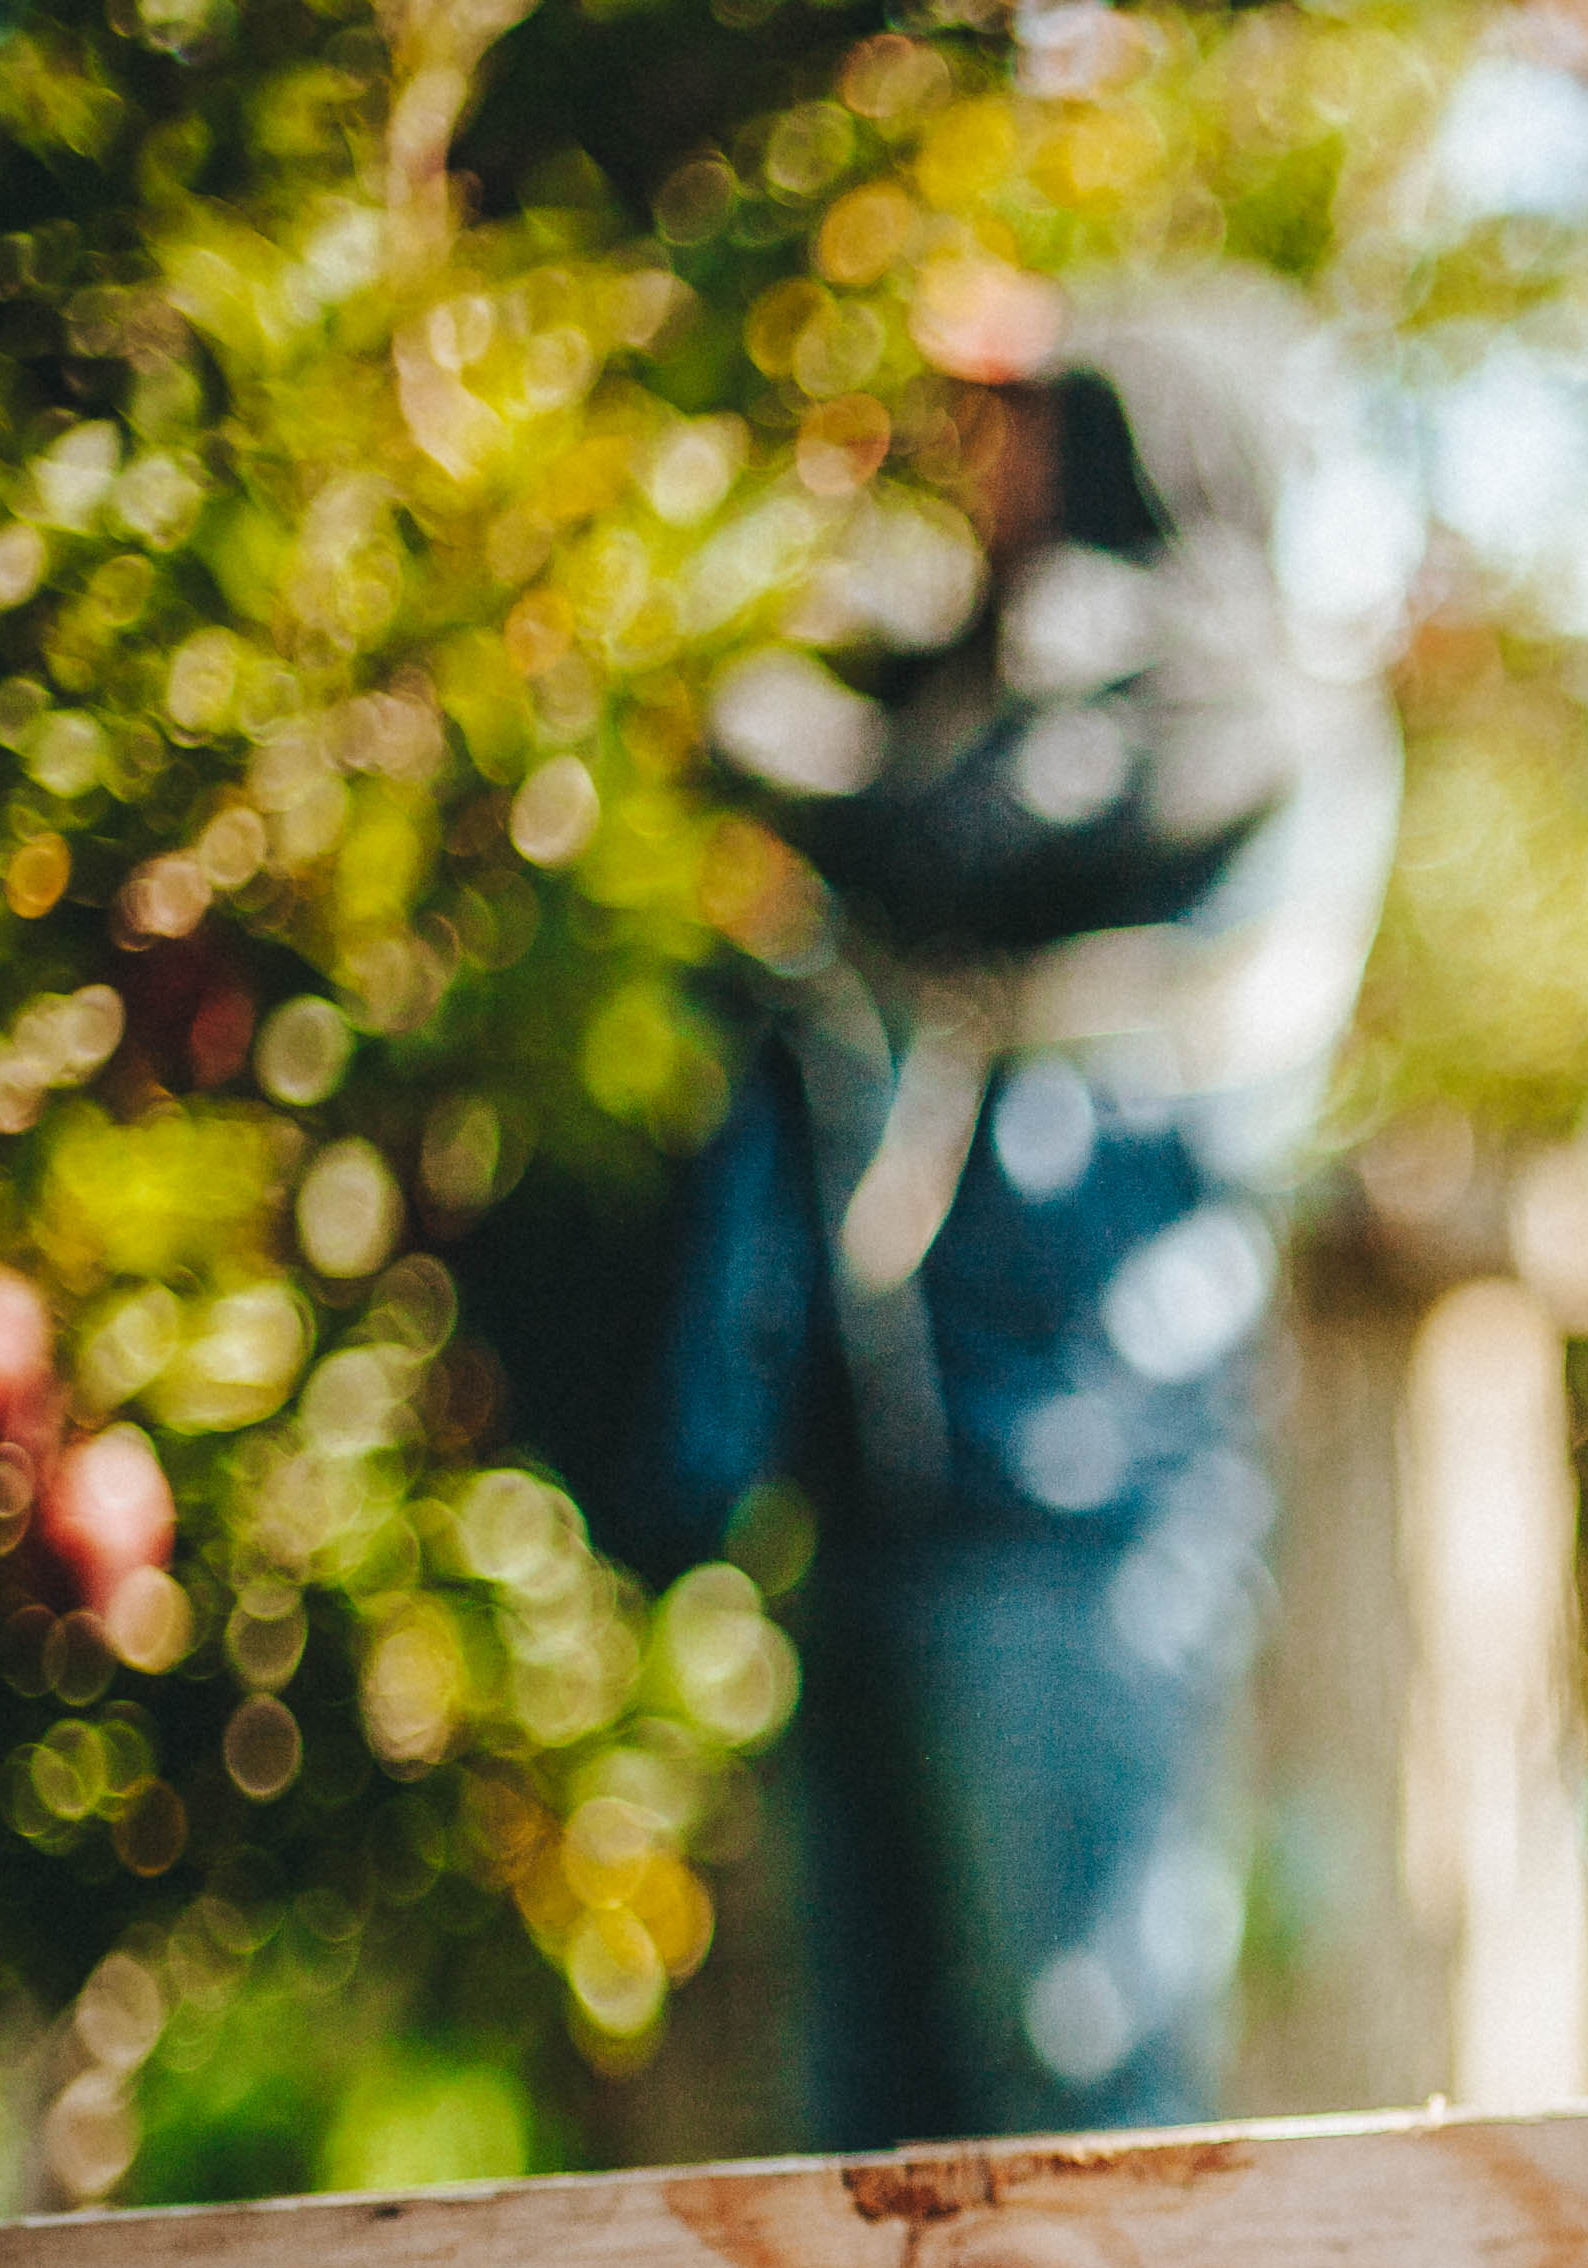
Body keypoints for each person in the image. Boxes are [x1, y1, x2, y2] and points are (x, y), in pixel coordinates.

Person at [640, 275, 1399, 2144]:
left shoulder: (1233, 705)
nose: (987, 469)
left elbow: (967, 842)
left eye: (1029, 423)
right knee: (876, 2121)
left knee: (1077, 2082)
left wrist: (735, 716)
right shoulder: (1004, 680)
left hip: (1080, 1494)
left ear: (1141, 446)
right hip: (891, 1486)